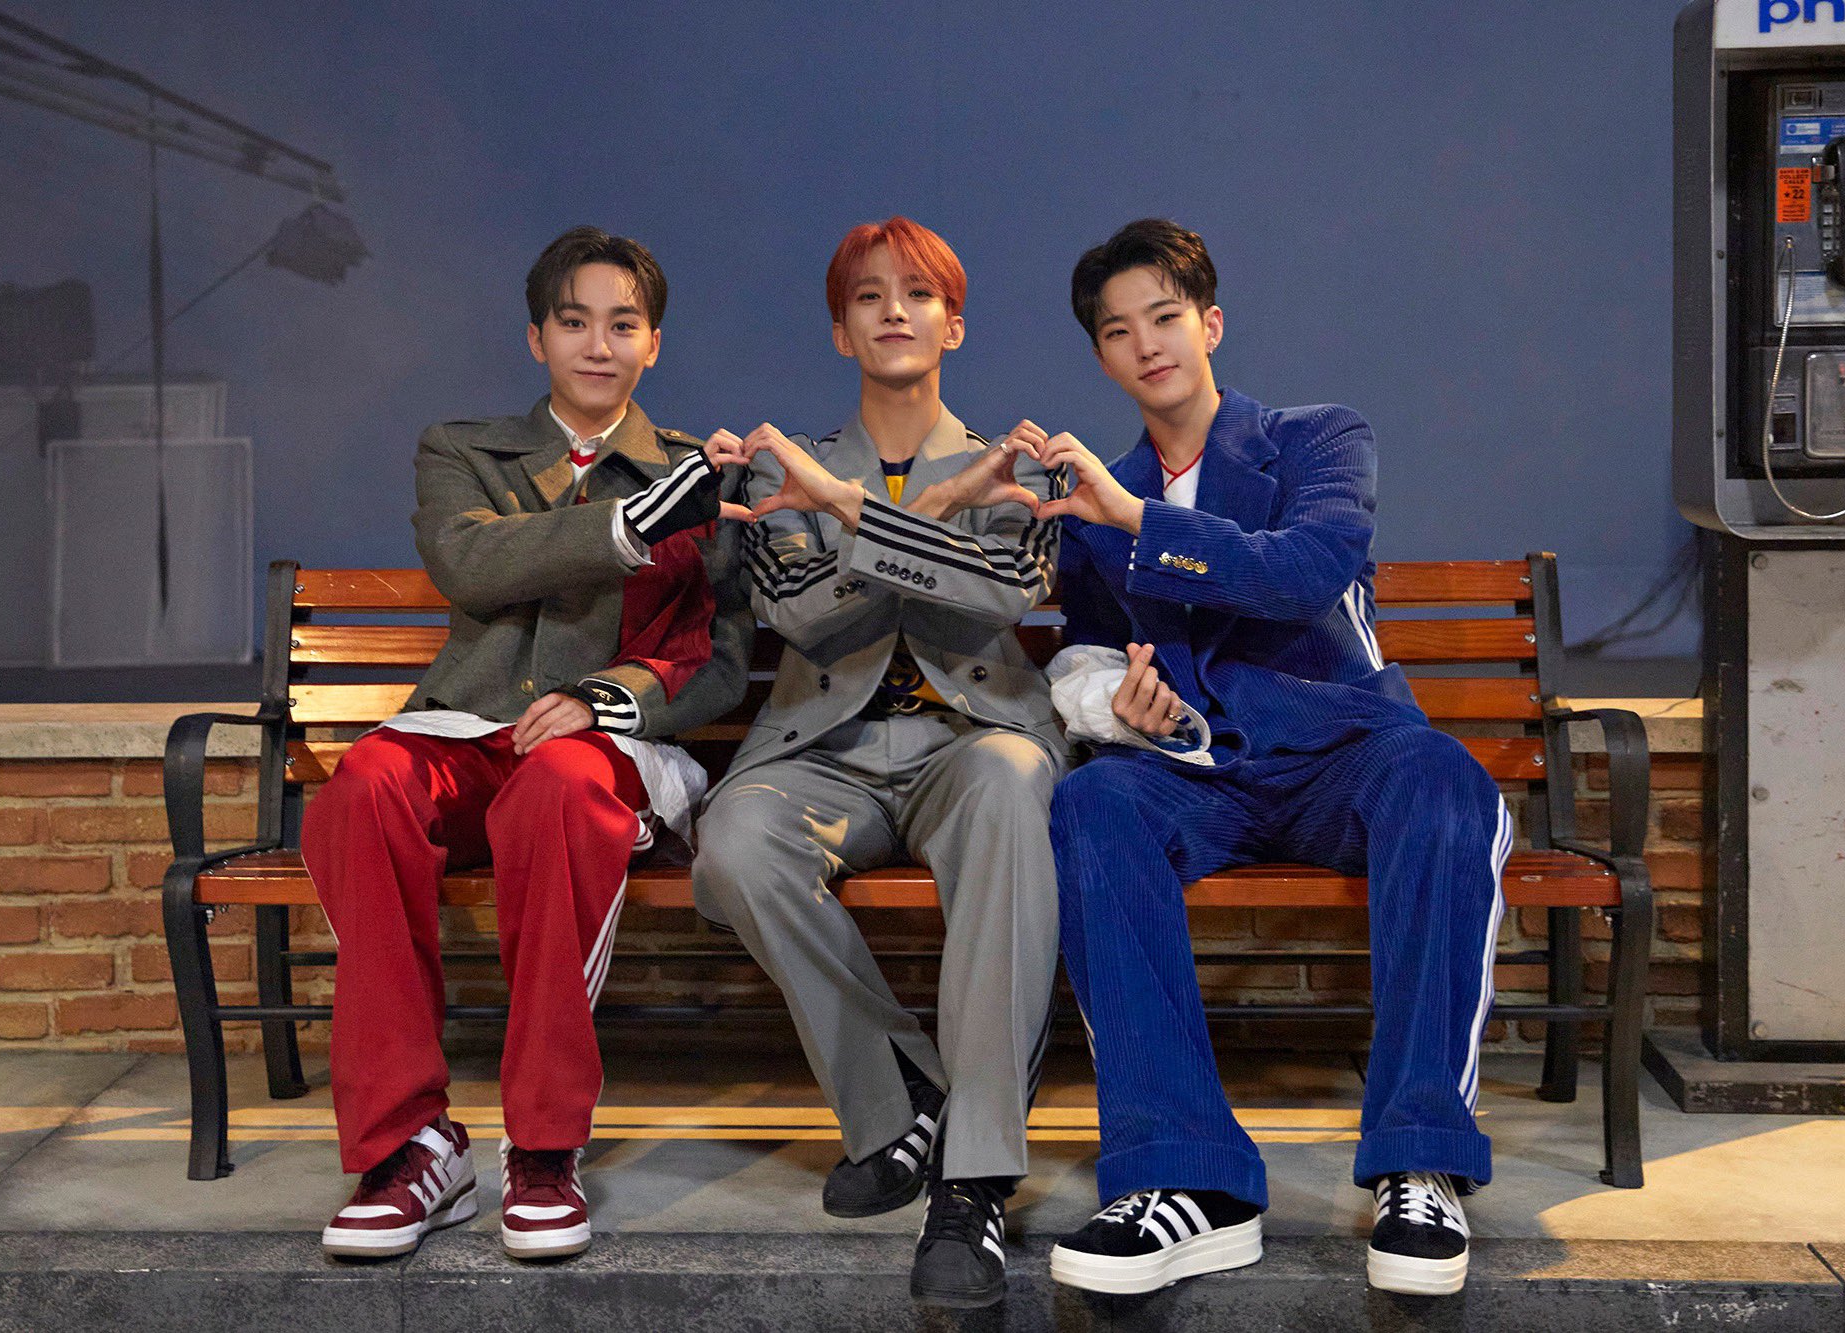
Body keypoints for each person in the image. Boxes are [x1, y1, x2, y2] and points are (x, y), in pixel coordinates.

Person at [1031, 219, 1509, 1299]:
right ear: (1101, 356)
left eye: (1164, 316)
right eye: (1118, 331)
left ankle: (1420, 1160)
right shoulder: (1094, 496)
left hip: (1342, 751)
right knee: (1094, 802)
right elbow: (1086, 649)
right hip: (1199, 769)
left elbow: (1302, 571)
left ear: (1209, 323)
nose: (1147, 344)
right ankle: (1184, 1178)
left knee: (1443, 780)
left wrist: (1138, 519)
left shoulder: (1316, 438)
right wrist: (1118, 703)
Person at [305, 226, 751, 1262]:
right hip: (467, 730)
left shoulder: (699, 472)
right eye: (574, 321)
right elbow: (469, 562)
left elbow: (720, 658)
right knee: (365, 784)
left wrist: (608, 696)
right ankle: (408, 1146)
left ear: (654, 344)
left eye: (623, 325)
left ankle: (546, 1147)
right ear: (536, 336)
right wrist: (626, 527)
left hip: (603, 752)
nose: (598, 344)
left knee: (558, 790)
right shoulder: (464, 451)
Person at [690, 217, 1065, 1309]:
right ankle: (902, 1093)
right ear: (840, 330)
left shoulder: (1016, 463)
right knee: (733, 842)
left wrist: (880, 512)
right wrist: (930, 522)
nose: (893, 310)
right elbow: (800, 616)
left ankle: (973, 1177)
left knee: (1009, 785)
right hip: (828, 750)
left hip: (973, 740)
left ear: (954, 323)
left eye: (917, 293)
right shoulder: (784, 469)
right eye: (867, 295)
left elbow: (1000, 595)